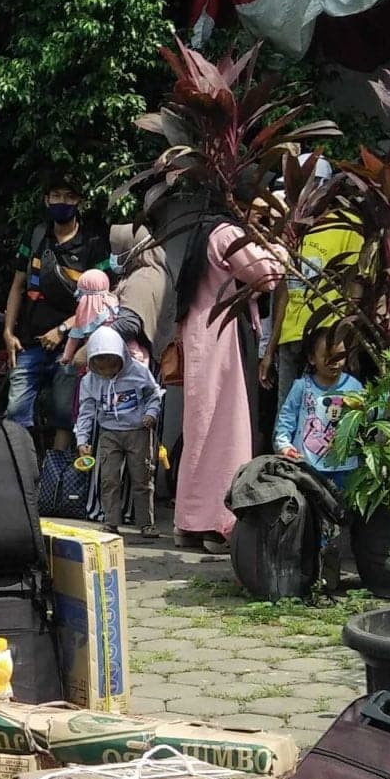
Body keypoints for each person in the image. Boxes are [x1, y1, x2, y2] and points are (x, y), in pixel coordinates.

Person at [171, 212, 287, 548]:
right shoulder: (227, 233)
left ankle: (189, 522)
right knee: (229, 428)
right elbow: (267, 275)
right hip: (225, 338)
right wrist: (276, 245)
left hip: (203, 336)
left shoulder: (203, 228)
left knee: (201, 431)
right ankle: (220, 524)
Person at [3, 180, 111, 429]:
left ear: (79, 202)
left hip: (70, 348)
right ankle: (20, 464)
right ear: (46, 199)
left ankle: (55, 465)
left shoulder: (93, 244)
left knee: (65, 415)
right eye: (56, 195)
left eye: (69, 197)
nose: (62, 202)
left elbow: (102, 301)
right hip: (28, 343)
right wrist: (8, 332)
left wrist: (63, 329)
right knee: (15, 412)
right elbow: (18, 285)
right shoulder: (37, 236)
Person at [267, 214, 363, 450]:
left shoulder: (348, 224)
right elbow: (283, 289)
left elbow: (356, 286)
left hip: (327, 339)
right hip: (291, 337)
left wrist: (347, 340)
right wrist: (271, 346)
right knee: (286, 419)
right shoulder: (293, 222)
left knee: (332, 419)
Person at [74, 325, 162, 537]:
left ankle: (146, 523)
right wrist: (82, 439)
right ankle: (110, 520)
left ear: (122, 357)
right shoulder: (90, 381)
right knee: (109, 478)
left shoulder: (139, 372)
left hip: (138, 431)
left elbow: (154, 395)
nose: (107, 373)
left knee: (142, 477)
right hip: (108, 433)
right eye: (100, 368)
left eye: (112, 366)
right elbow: (85, 411)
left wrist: (151, 413)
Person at [274, 326, 363, 491]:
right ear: (312, 358)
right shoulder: (302, 387)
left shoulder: (354, 387)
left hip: (344, 467)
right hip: (308, 465)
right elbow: (287, 417)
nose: (334, 363)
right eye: (327, 357)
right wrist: (284, 444)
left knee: (342, 510)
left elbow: (367, 416)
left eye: (339, 357)